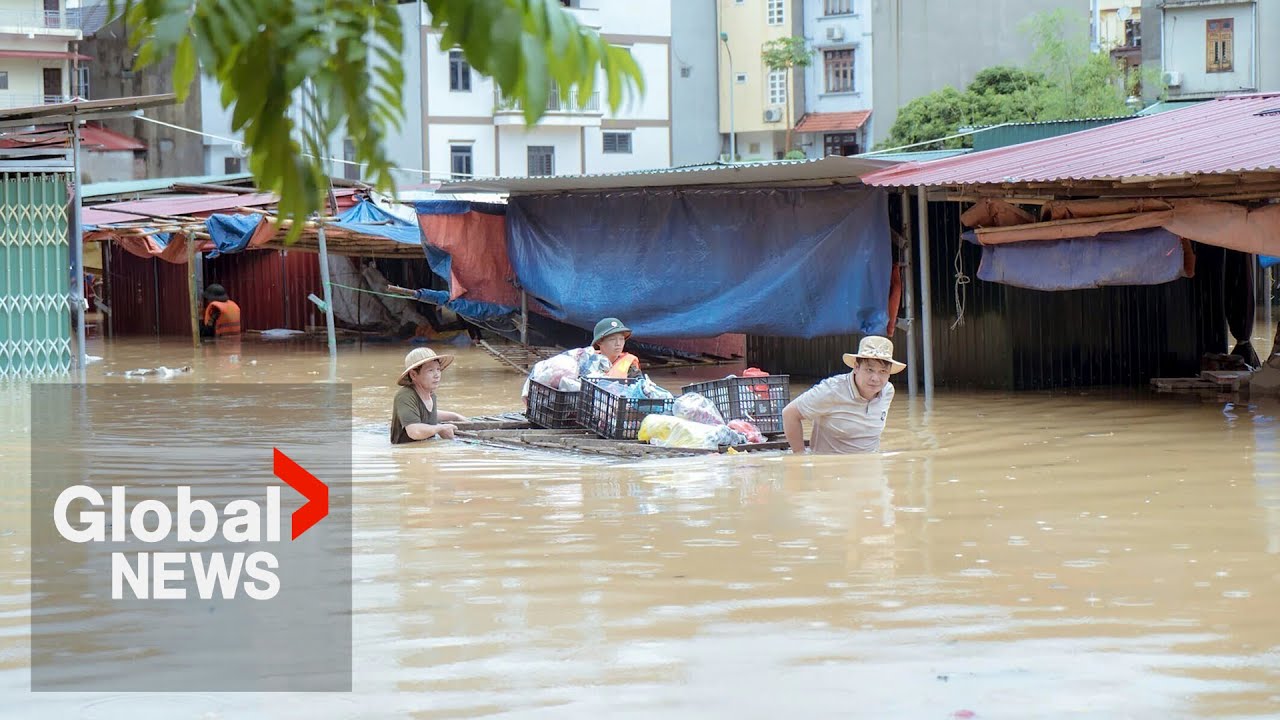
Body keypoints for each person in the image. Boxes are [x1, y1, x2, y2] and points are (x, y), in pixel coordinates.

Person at [782, 335, 905, 454]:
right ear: (856, 367)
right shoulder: (832, 390)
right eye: (869, 370)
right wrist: (800, 457)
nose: (875, 378)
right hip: (832, 470)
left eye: (883, 371)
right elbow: (789, 414)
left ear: (889, 373)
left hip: (870, 466)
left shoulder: (887, 391)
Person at [391, 347, 468, 444]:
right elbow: (414, 431)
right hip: (408, 453)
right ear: (413, 375)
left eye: (438, 369)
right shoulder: (405, 395)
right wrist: (441, 428)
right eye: (430, 370)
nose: (437, 375)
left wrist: (455, 416)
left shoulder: (430, 394)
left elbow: (428, 414)